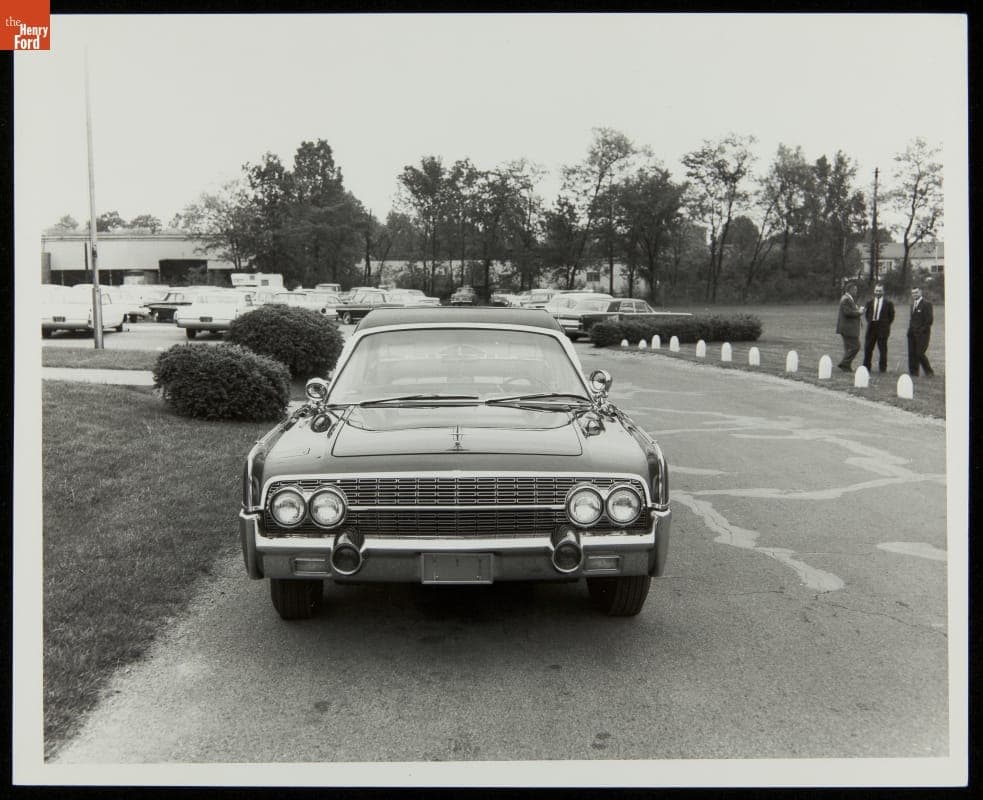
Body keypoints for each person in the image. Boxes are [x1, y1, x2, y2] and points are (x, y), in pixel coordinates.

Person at [862, 282, 895, 373]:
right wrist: (870, 321)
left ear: (883, 292)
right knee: (868, 348)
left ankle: (882, 368)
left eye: (880, 291)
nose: (878, 292)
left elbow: (891, 316)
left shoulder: (888, 303)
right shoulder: (869, 302)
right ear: (874, 291)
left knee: (883, 350)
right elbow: (867, 314)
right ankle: (866, 367)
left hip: (882, 329)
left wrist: (885, 325)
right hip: (871, 328)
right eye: (876, 290)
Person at [835, 279, 863, 372]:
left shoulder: (848, 299)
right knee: (856, 346)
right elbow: (847, 312)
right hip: (848, 329)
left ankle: (846, 366)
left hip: (847, 328)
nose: (856, 291)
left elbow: (849, 311)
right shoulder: (846, 299)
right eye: (855, 289)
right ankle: (844, 363)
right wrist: (859, 312)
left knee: (849, 348)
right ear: (850, 290)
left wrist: (857, 310)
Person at [907, 286, 934, 377]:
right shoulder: (912, 305)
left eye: (916, 292)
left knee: (919, 353)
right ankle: (914, 372)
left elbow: (929, 320)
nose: (914, 294)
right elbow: (912, 319)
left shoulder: (927, 304)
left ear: (920, 292)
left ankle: (929, 372)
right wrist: (910, 331)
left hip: (922, 334)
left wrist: (921, 330)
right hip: (912, 334)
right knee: (912, 354)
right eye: (913, 293)